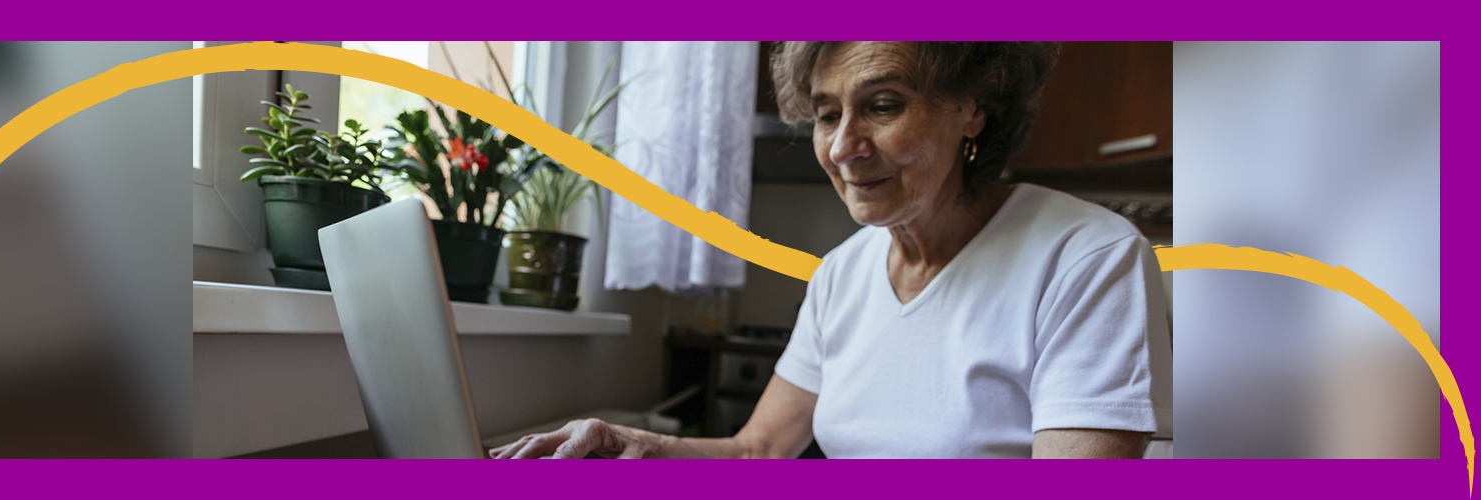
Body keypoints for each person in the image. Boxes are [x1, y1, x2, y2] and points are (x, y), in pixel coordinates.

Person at [489, 41, 1172, 459]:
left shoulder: (1086, 259)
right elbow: (759, 450)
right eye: (825, 113)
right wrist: (638, 445)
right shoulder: (843, 273)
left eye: (882, 105)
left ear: (974, 106)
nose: (843, 146)